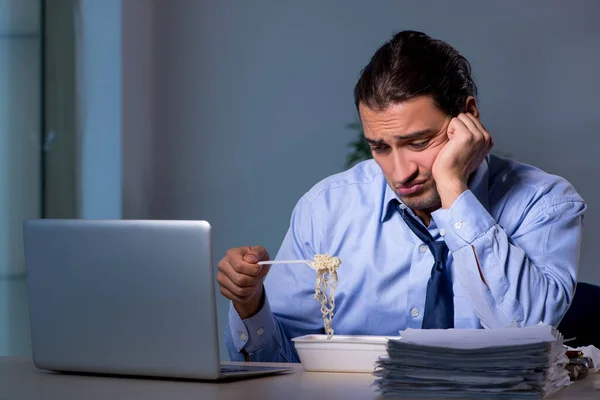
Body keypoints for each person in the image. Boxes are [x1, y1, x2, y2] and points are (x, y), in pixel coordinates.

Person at [217, 30, 587, 363]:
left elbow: (524, 335)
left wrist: (453, 191)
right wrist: (250, 305)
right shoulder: (325, 209)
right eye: (379, 147)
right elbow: (282, 366)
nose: (400, 173)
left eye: (419, 142)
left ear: (468, 117)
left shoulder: (546, 203)